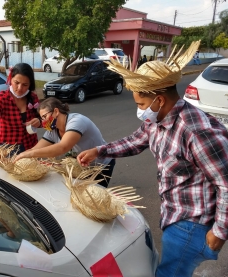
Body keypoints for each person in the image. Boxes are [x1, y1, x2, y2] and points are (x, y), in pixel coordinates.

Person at [77, 41, 227, 277]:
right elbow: (136, 141)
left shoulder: (196, 131)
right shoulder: (155, 120)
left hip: (191, 223)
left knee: (169, 273)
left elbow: (225, 183)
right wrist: (99, 151)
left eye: (141, 104)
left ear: (159, 100)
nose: (139, 110)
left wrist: (219, 232)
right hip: (173, 212)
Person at [14, 97, 115, 187]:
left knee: (92, 198)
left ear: (56, 111)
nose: (43, 122)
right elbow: (36, 149)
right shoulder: (53, 130)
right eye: (42, 118)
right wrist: (20, 157)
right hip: (82, 167)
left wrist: (31, 153)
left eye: (44, 117)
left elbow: (63, 147)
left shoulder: (76, 121)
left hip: (100, 166)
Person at [0, 63, 41, 158]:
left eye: (25, 85)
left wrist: (39, 121)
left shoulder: (33, 97)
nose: (20, 88)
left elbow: (42, 117)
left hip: (31, 146)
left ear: (30, 85)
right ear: (10, 79)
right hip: (8, 148)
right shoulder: (2, 98)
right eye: (16, 82)